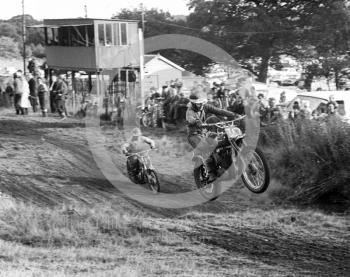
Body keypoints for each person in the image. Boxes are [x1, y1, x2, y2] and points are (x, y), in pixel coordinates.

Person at [186, 86, 238, 181]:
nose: (201, 104)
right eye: (198, 104)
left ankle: (223, 166)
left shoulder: (205, 106)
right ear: (193, 104)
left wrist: (233, 114)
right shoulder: (190, 111)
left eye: (201, 102)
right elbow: (190, 118)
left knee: (219, 144)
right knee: (205, 148)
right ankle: (211, 173)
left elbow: (219, 111)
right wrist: (195, 121)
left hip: (204, 133)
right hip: (193, 135)